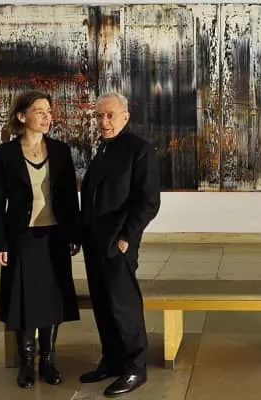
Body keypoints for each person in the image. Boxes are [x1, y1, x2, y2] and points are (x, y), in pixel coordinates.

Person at [0, 89, 81, 389]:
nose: (46, 116)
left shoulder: (61, 151)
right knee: (23, 298)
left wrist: (74, 233)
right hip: (21, 236)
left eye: (49, 111)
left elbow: (70, 197)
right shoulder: (4, 154)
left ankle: (49, 361)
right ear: (21, 116)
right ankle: (27, 363)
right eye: (39, 111)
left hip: (55, 234)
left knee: (52, 298)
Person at [78, 92, 161, 397]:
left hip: (118, 243)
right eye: (99, 116)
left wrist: (127, 237)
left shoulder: (139, 150)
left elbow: (148, 202)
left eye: (110, 115)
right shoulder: (103, 148)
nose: (104, 121)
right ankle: (112, 360)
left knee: (123, 306)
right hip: (94, 242)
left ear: (125, 116)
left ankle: (135, 368)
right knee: (102, 304)